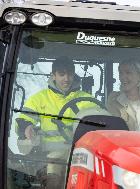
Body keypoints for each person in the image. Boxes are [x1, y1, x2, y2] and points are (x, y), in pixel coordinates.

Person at [15, 56, 99, 189]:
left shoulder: (87, 100)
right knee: (54, 182)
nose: (66, 78)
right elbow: (22, 120)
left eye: (70, 74)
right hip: (47, 156)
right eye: (61, 74)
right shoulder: (40, 98)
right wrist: (27, 127)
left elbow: (103, 121)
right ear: (53, 75)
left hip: (79, 155)